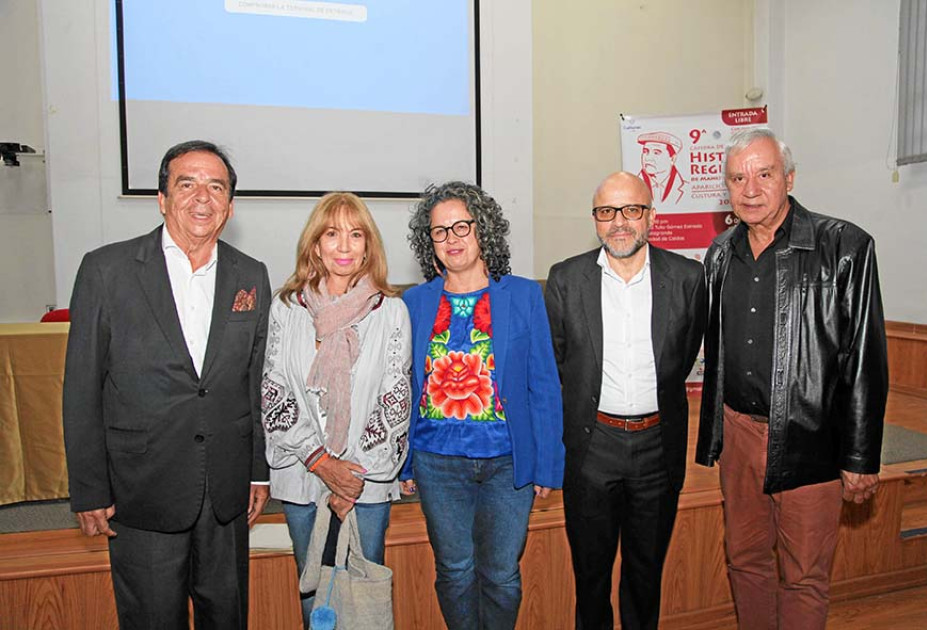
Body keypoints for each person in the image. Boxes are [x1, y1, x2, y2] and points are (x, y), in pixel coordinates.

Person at [62, 140, 271, 629]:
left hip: (225, 491)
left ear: (230, 205)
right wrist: (88, 489)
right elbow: (81, 387)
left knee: (228, 617)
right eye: (187, 184)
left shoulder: (250, 274)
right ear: (162, 198)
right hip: (142, 488)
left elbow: (255, 382)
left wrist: (257, 472)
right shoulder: (106, 270)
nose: (203, 197)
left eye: (216, 187)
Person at [696, 128, 888, 630]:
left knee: (804, 576)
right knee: (745, 559)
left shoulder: (845, 246)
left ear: (790, 178)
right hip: (738, 434)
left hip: (810, 439)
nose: (750, 189)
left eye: (764, 174)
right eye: (737, 178)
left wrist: (861, 456)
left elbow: (864, 359)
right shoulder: (719, 254)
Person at [545, 172, 707, 630]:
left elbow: (682, 356)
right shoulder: (565, 279)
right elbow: (559, 363)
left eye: (631, 210)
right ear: (595, 219)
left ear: (651, 216)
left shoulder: (688, 278)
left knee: (645, 574)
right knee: (590, 576)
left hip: (658, 447)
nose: (619, 222)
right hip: (591, 447)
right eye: (606, 212)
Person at [399, 181, 564, 630]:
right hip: (437, 463)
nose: (451, 238)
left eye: (461, 227)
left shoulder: (524, 296)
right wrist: (404, 462)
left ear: (482, 229)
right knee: (454, 571)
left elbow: (543, 384)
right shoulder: (413, 303)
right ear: (429, 242)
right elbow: (404, 387)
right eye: (439, 231)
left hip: (507, 465)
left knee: (502, 575)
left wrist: (548, 465)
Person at [261, 192, 410, 628]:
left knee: (362, 599)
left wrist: (350, 479)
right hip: (302, 474)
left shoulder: (391, 311)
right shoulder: (286, 308)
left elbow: (395, 401)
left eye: (355, 234)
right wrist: (321, 462)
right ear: (315, 245)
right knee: (316, 599)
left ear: (368, 246)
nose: (344, 246)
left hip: (366, 483)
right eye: (332, 234)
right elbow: (274, 391)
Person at [637, 131, 687, 205]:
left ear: (672, 159)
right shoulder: (632, 187)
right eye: (645, 151)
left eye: (656, 153)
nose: (648, 158)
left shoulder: (686, 188)